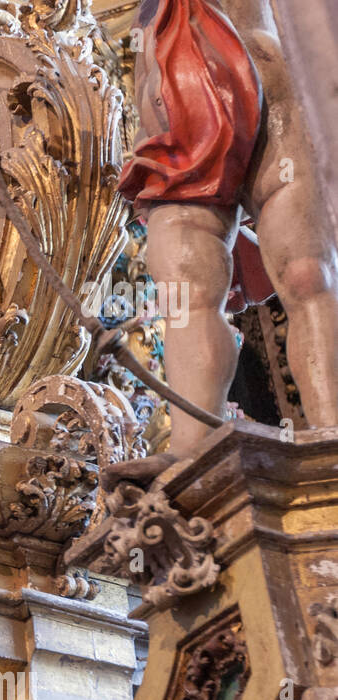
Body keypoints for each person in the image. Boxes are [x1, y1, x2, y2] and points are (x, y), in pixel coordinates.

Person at [119, 0, 338, 471]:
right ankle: (192, 454)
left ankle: (332, 430)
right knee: (185, 284)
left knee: (306, 272)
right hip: (174, 107)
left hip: (269, 81)